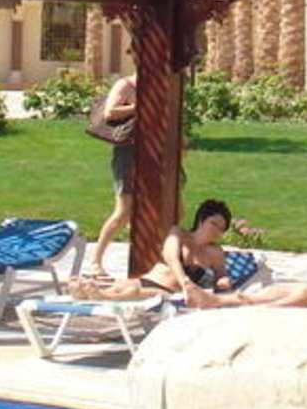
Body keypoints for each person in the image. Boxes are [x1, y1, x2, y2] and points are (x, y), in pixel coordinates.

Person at [63, 198, 242, 306]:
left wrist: (222, 281)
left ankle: (100, 297)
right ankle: (88, 293)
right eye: (214, 223)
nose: (217, 231)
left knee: (132, 293)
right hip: (148, 280)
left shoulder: (215, 252)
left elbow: (221, 276)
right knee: (120, 287)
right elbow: (171, 257)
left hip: (170, 293)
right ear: (202, 219)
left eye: (222, 229)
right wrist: (186, 281)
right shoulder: (178, 233)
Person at [85, 73, 137, 275]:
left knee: (149, 210)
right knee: (124, 211)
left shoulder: (158, 86)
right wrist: (137, 107)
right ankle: (95, 261)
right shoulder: (126, 85)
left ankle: (145, 259)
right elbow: (110, 112)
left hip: (151, 155)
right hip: (128, 154)